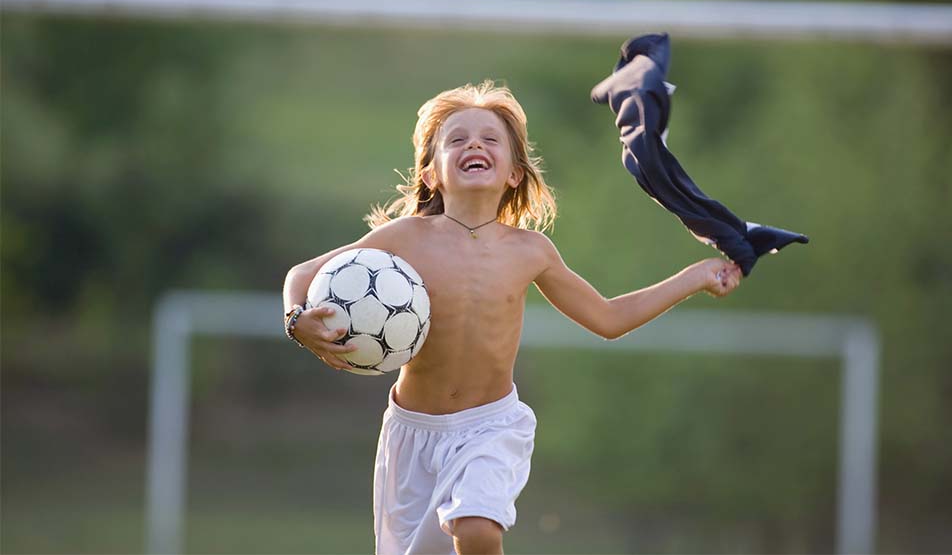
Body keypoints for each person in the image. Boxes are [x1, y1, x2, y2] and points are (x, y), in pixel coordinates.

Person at [281, 80, 742, 555]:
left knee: (478, 529)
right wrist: (297, 320)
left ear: (515, 174)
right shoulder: (404, 238)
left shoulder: (531, 251)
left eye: (489, 139)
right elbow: (303, 273)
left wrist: (695, 277)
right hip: (412, 435)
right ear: (433, 174)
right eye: (456, 140)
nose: (473, 145)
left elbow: (608, 318)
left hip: (491, 427)